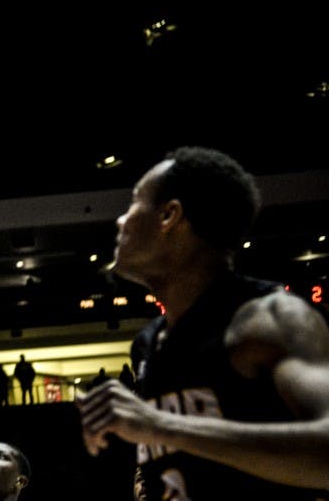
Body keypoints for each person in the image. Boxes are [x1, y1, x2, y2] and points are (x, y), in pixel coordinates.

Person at [77, 146, 329, 500]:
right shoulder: (149, 343)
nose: (120, 220)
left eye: (134, 202)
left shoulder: (265, 318)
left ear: (169, 215)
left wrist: (162, 426)